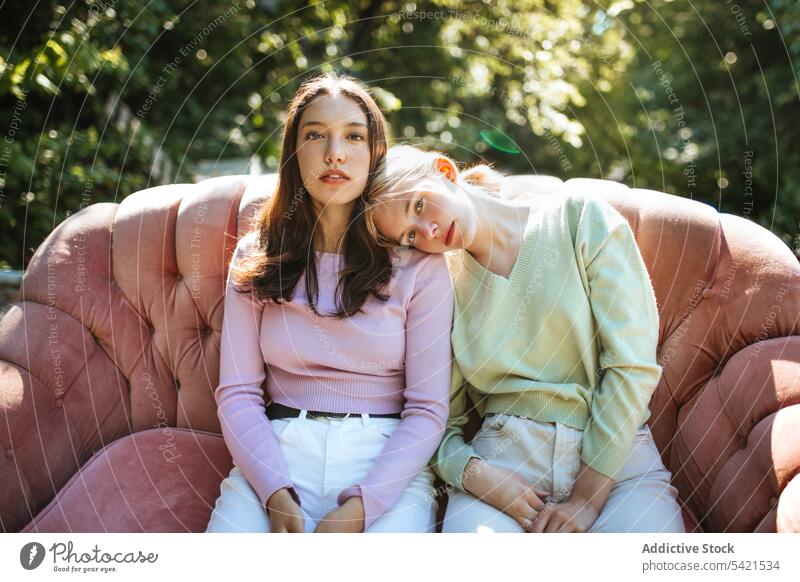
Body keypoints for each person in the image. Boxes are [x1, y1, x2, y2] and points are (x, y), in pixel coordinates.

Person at [363, 144, 685, 533]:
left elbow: (631, 365)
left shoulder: (580, 218)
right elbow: (436, 419)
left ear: (445, 171)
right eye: (411, 237)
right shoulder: (439, 285)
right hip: (503, 467)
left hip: (615, 464)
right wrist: (472, 473)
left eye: (418, 206)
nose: (428, 232)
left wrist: (587, 496)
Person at [205, 76, 453, 533]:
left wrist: (362, 507)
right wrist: (274, 492)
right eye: (315, 134)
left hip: (383, 461)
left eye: (354, 136)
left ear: (376, 153)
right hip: (275, 455)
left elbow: (427, 409)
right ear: (293, 152)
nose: (334, 152)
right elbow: (237, 393)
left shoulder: (418, 267)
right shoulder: (257, 256)